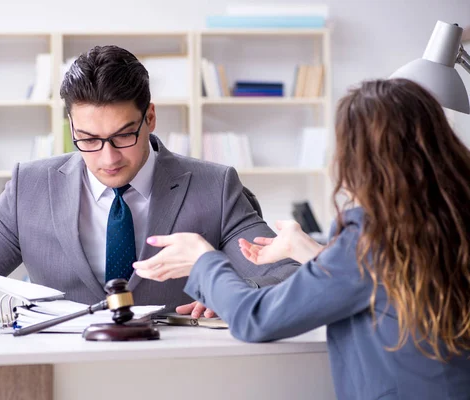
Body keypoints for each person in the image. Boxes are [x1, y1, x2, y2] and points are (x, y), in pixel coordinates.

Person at [133, 79, 470, 399]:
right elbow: (384, 284)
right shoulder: (448, 220)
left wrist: (202, 260)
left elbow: (256, 318)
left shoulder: (369, 239)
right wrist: (310, 250)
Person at [0, 45, 299, 317]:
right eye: (87, 139)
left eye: (123, 136)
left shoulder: (213, 187)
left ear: (149, 117)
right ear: (70, 126)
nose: (108, 157)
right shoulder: (30, 188)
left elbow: (287, 280)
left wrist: (229, 295)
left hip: (178, 378)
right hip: (58, 378)